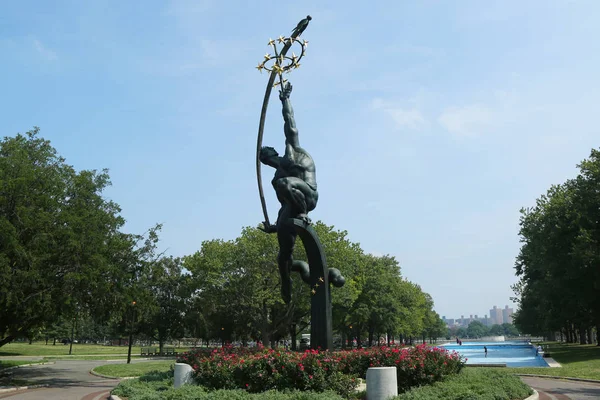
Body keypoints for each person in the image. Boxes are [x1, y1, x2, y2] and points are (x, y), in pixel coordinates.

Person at [259, 82, 319, 304]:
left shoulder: (292, 151)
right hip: (291, 204)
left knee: (284, 184)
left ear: (273, 151)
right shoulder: (277, 175)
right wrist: (275, 227)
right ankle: (293, 276)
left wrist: (285, 100)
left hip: (308, 196)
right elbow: (284, 205)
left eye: (265, 155)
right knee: (283, 256)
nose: (265, 159)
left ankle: (303, 215)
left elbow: (290, 125)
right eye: (263, 159)